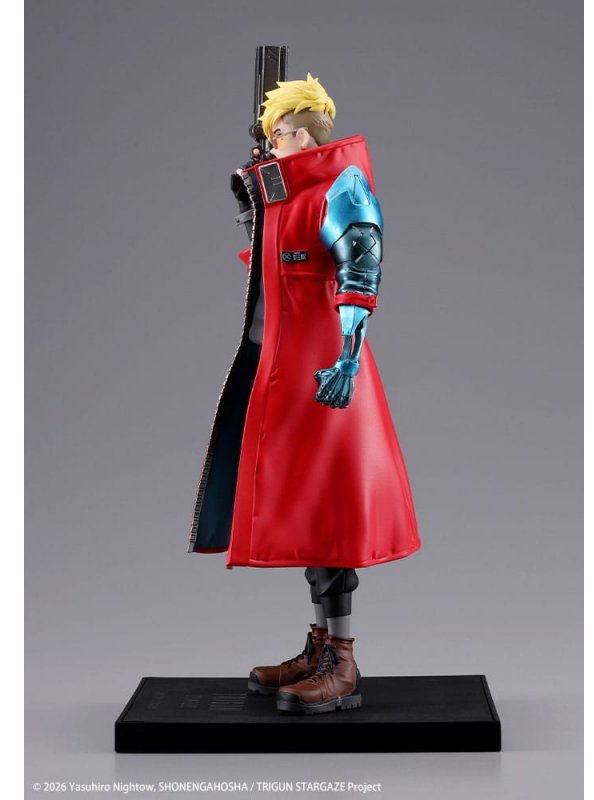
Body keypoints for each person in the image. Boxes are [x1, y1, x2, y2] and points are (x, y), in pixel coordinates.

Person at [188, 73, 420, 714]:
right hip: (283, 371)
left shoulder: (343, 187)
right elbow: (273, 270)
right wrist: (255, 207)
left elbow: (361, 274)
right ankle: (321, 646)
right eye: (268, 135)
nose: (272, 144)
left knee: (331, 510)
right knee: (302, 508)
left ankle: (341, 661)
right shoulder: (290, 194)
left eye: (280, 134)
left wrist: (346, 360)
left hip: (325, 375)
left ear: (305, 135)